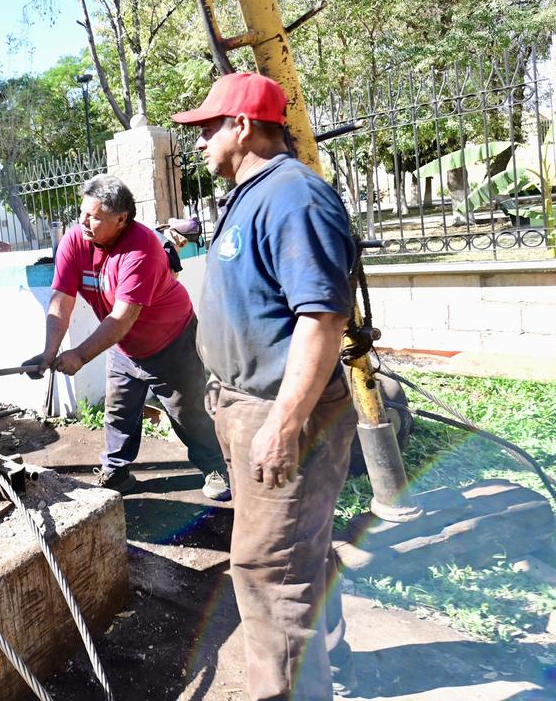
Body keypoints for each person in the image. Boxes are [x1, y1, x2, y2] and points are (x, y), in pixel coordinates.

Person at [173, 72, 357, 700]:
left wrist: (280, 426)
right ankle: (332, 663)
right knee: (297, 553)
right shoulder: (252, 194)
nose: (198, 142)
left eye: (206, 128)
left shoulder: (294, 198)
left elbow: (322, 320)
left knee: (267, 573)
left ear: (243, 126)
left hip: (282, 413)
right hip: (244, 406)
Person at [24, 173, 230, 500]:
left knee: (187, 413)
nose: (84, 223)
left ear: (121, 219)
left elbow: (121, 318)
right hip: (124, 347)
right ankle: (116, 473)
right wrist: (50, 352)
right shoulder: (75, 240)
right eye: (82, 213)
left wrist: (79, 355)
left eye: (95, 217)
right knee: (119, 413)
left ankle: (215, 466)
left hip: (171, 341)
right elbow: (61, 300)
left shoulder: (143, 247)